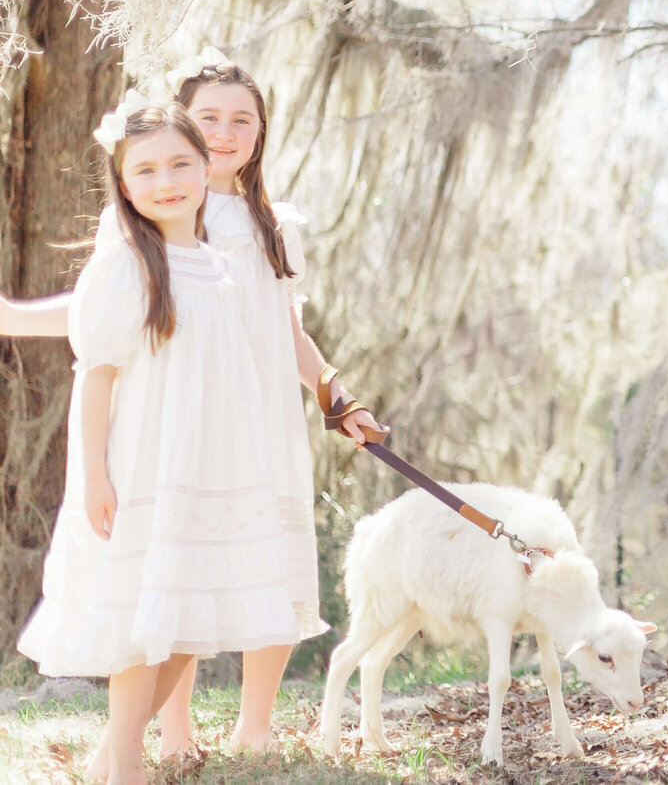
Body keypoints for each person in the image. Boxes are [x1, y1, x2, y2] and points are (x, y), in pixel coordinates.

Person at [2, 55, 386, 769]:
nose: (226, 131)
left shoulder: (273, 224)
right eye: (209, 117)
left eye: (242, 118)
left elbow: (287, 330)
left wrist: (337, 396)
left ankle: (252, 726)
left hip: (256, 419)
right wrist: (13, 318)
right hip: (178, 425)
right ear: (182, 126)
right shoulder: (168, 213)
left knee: (255, 564)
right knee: (173, 576)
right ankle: (162, 735)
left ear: (262, 130)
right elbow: (106, 316)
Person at [15, 99, 301, 784]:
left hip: (207, 465)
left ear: (207, 170)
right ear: (123, 184)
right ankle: (128, 766)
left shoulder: (215, 263)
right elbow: (96, 376)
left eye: (179, 162)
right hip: (143, 463)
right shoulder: (126, 266)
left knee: (183, 623)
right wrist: (93, 476)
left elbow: (223, 378)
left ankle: (112, 754)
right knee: (143, 625)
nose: (165, 179)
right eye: (145, 169)